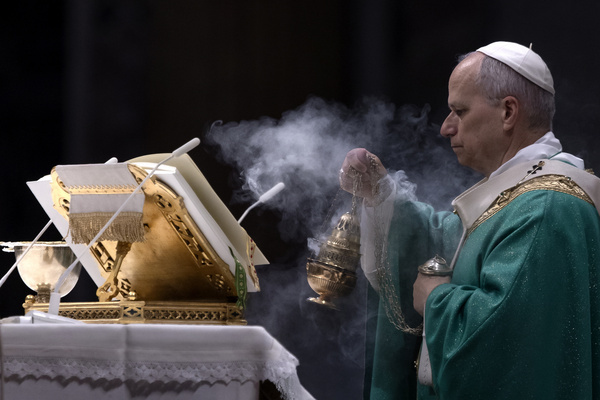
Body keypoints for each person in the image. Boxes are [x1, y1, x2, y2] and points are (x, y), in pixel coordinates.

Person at [340, 41, 600, 399]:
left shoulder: (546, 207)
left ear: (509, 112)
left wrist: (436, 300)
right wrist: (382, 198)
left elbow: (504, 344)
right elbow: (448, 242)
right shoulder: (518, 194)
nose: (446, 128)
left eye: (459, 111)